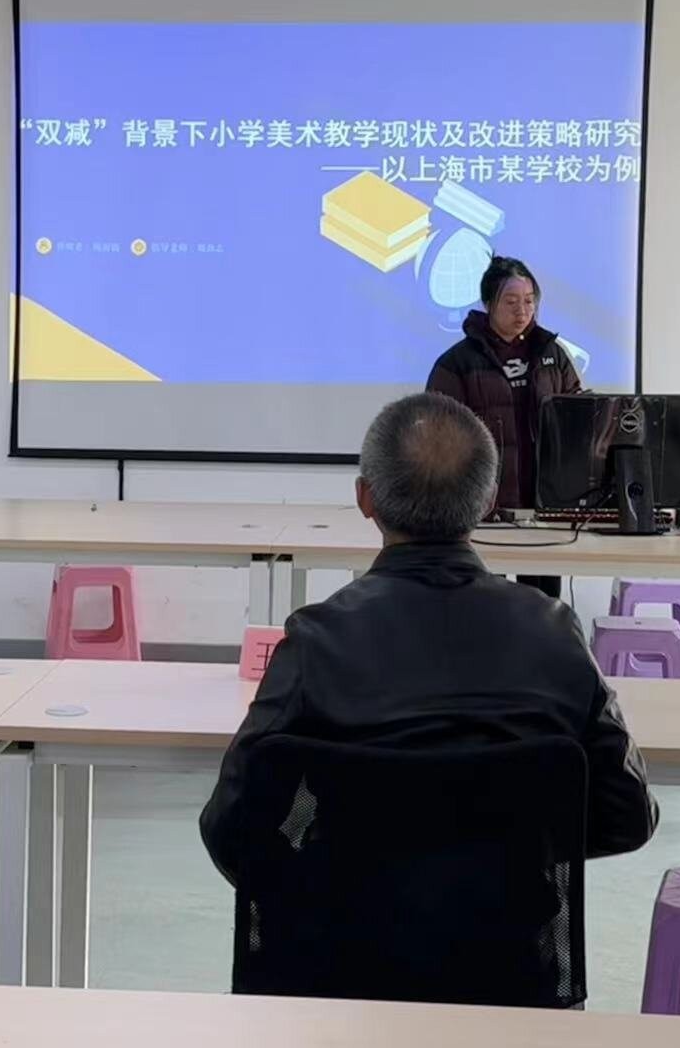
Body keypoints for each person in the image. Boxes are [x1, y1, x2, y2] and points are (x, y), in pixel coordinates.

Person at [201, 391, 656, 884]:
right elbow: (628, 815)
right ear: (488, 500)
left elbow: (231, 825)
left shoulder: (316, 641)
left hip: (348, 928)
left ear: (364, 498)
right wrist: (518, 849)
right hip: (510, 930)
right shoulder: (554, 632)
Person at [427, 255, 582, 597]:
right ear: (488, 304)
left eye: (529, 301)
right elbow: (437, 434)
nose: (522, 311)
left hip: (544, 506)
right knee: (484, 601)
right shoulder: (458, 362)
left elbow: (579, 414)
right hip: (485, 510)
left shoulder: (552, 354)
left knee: (542, 603)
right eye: (511, 302)